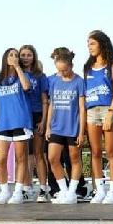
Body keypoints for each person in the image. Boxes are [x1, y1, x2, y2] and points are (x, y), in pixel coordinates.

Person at [84, 30, 113, 204]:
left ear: (101, 43)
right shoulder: (87, 67)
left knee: (111, 151)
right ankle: (99, 189)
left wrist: (111, 112)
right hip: (91, 111)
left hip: (108, 109)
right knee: (96, 151)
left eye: (92, 43)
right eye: (88, 43)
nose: (89, 47)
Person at [45, 47, 86, 205]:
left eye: (64, 70)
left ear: (71, 65)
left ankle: (72, 192)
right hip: (56, 126)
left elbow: (82, 108)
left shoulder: (79, 82)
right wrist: (48, 126)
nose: (62, 73)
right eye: (59, 70)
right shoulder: (54, 81)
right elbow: (51, 104)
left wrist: (81, 132)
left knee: (74, 159)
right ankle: (63, 190)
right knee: (52, 158)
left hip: (72, 127)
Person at [0, 48, 33, 204]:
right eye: (11, 55)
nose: (14, 57)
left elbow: (26, 87)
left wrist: (17, 68)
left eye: (17, 55)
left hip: (20, 121)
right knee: (1, 159)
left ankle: (18, 191)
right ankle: (4, 191)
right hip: (3, 122)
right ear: (5, 58)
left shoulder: (24, 75)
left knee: (21, 158)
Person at [19, 44, 50, 202]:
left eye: (28, 55)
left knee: (38, 153)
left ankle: (44, 189)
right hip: (22, 116)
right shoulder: (16, 74)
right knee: (24, 154)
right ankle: (26, 187)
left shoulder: (40, 76)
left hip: (37, 115)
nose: (25, 58)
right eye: (23, 55)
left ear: (34, 57)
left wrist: (44, 121)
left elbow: (45, 100)